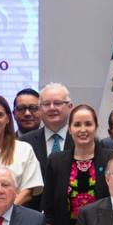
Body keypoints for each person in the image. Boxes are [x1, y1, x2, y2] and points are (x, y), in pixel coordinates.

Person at [43, 104, 112, 225]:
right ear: (69, 129)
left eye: (88, 124)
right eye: (77, 124)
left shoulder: (111, 160)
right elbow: (48, 211)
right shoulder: (56, 161)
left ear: (96, 127)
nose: (83, 129)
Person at [19, 82, 72, 210]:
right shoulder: (24, 143)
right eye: (46, 104)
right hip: (34, 215)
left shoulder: (81, 141)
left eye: (57, 103)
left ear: (70, 106)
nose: (52, 108)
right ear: (40, 109)